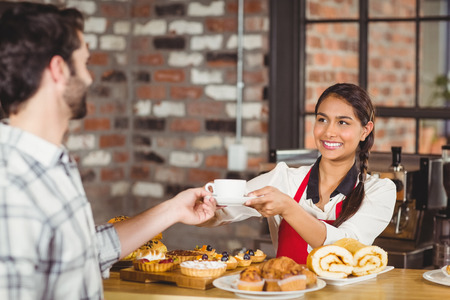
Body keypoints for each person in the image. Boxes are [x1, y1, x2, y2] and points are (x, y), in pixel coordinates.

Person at [0, 3, 216, 299]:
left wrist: (173, 209)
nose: (89, 78)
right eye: (84, 63)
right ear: (59, 69)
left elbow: (85, 252)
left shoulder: (51, 162)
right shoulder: (10, 186)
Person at [202, 83, 396, 264]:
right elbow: (221, 212)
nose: (329, 132)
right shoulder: (283, 179)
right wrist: (192, 208)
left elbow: (345, 247)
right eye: (322, 120)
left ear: (365, 130)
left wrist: (289, 208)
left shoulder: (379, 191)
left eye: (343, 123)